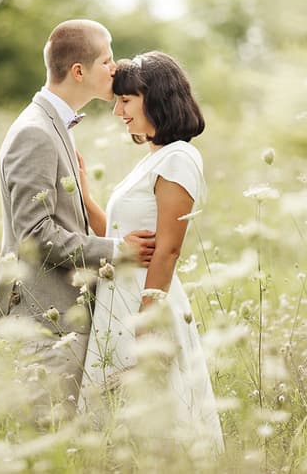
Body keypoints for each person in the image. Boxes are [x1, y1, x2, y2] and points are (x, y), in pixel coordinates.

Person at [0, 19, 155, 427]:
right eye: (107, 60)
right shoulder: (35, 132)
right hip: (43, 321)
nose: (115, 67)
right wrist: (116, 251)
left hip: (62, 317)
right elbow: (34, 236)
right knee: (44, 442)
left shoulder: (56, 125)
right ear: (79, 71)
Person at [77, 51, 224, 452]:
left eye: (126, 101)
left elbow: (168, 250)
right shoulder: (154, 157)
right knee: (117, 425)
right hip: (121, 302)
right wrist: (85, 194)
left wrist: (148, 323)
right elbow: (125, 239)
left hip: (146, 305)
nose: (118, 112)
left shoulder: (179, 157)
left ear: (155, 97)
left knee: (156, 425)